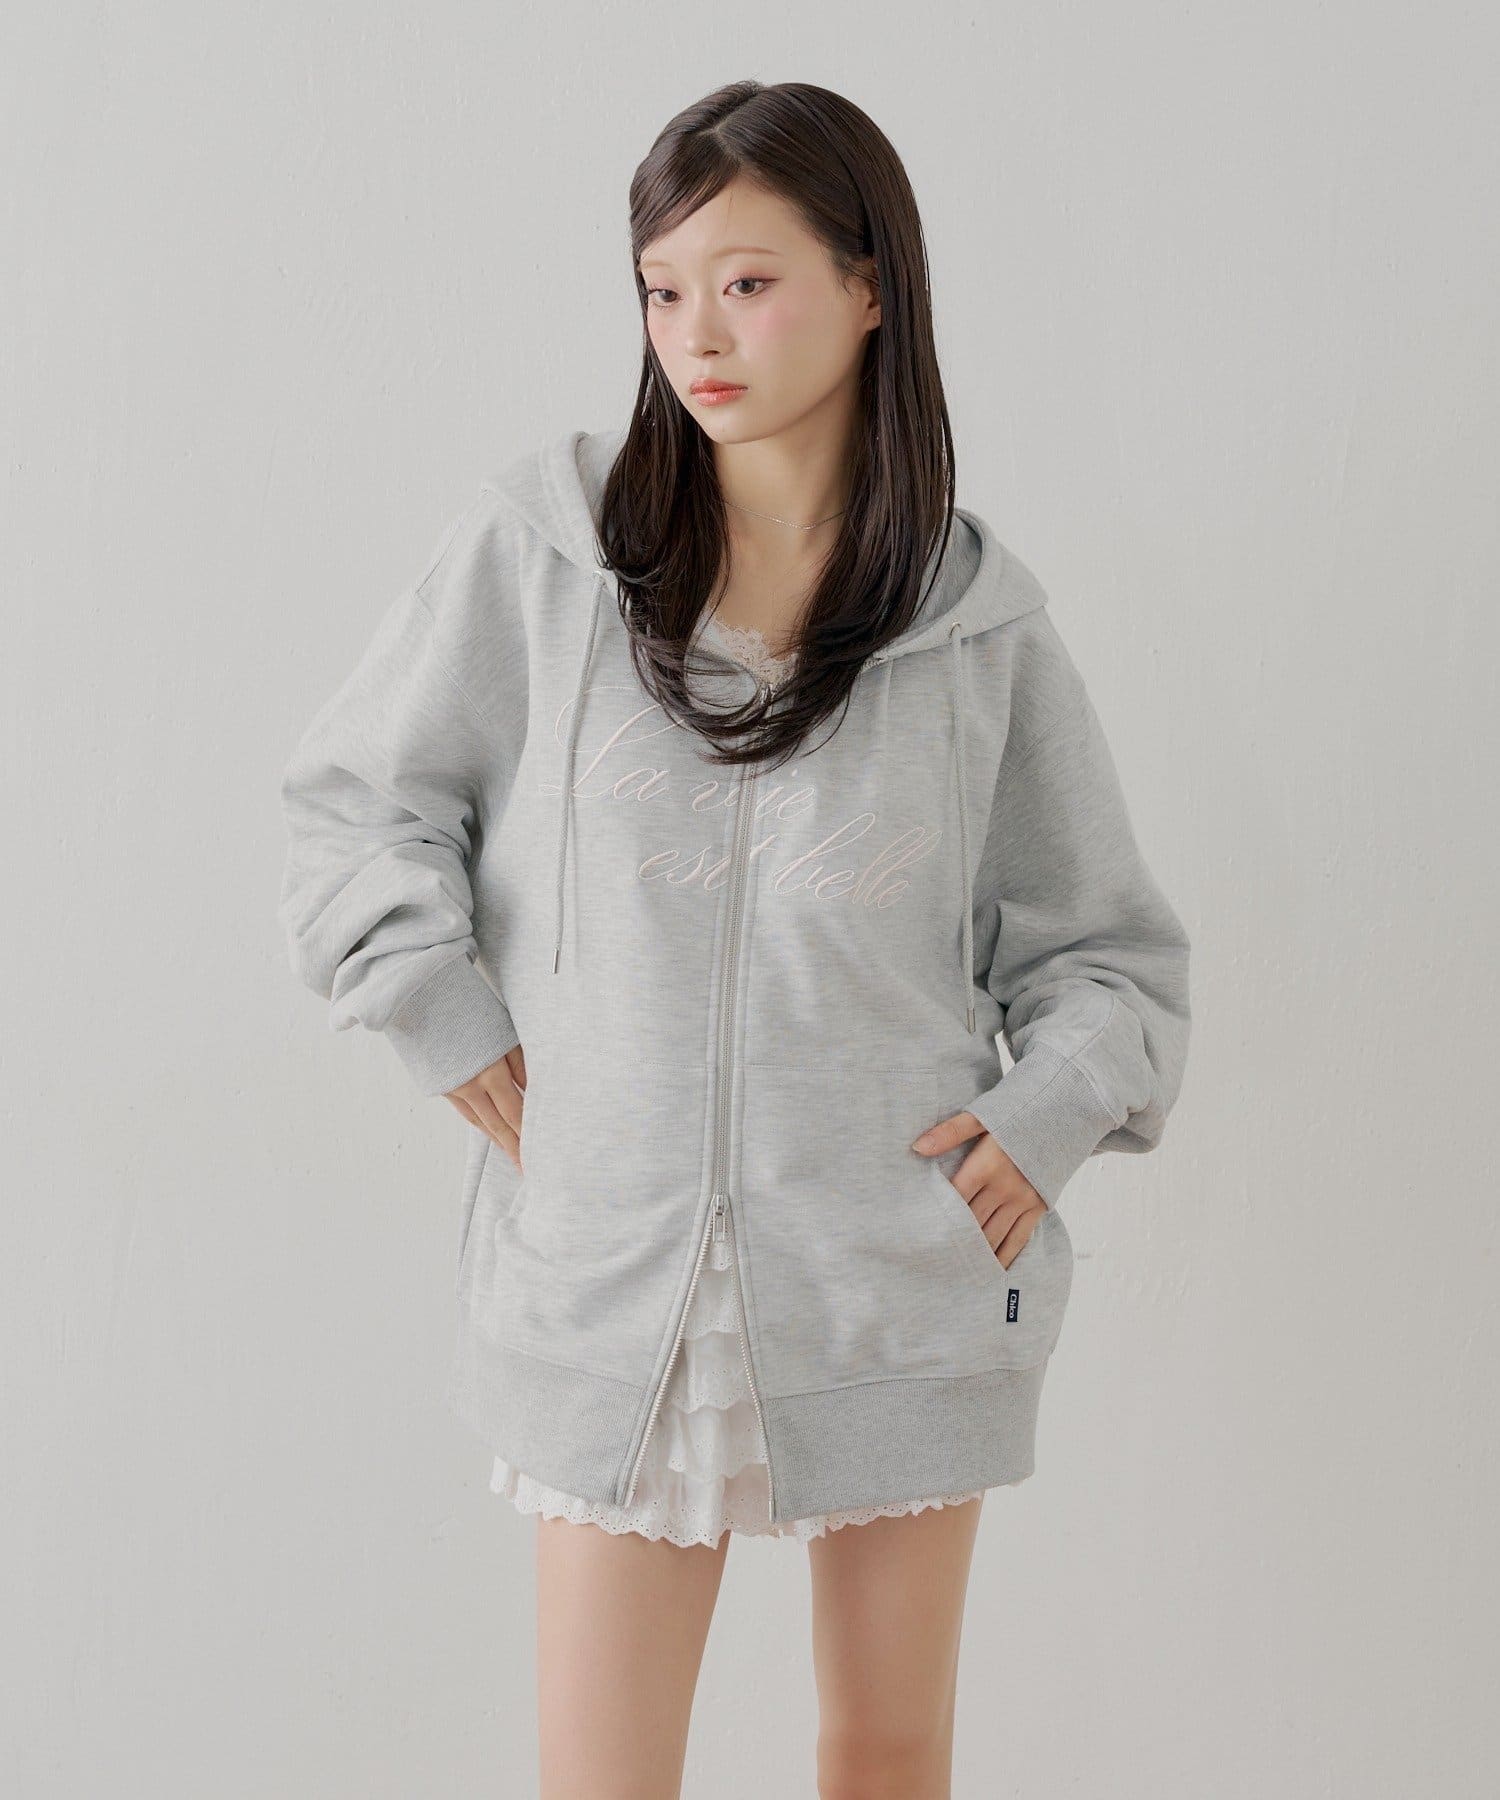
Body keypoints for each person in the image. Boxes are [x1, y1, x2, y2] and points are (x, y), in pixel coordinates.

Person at [277, 78, 1191, 1800]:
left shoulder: (976, 630)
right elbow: (355, 806)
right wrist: (438, 1011)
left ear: (869, 288)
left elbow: (1109, 954)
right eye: (663, 287)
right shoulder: (546, 559)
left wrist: (1049, 1113)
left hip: (898, 1276)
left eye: (749, 283)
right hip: (604, 1275)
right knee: (604, 1772)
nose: (696, 332)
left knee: (890, 1751)